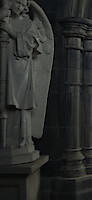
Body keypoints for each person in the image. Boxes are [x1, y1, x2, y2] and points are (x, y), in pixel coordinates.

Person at [0, 0, 44, 147]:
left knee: (21, 105)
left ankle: (22, 140)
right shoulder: (3, 19)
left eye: (22, 3)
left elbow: (29, 46)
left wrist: (10, 31)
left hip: (21, 70)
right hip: (5, 67)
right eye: (16, 2)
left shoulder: (29, 24)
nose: (19, 6)